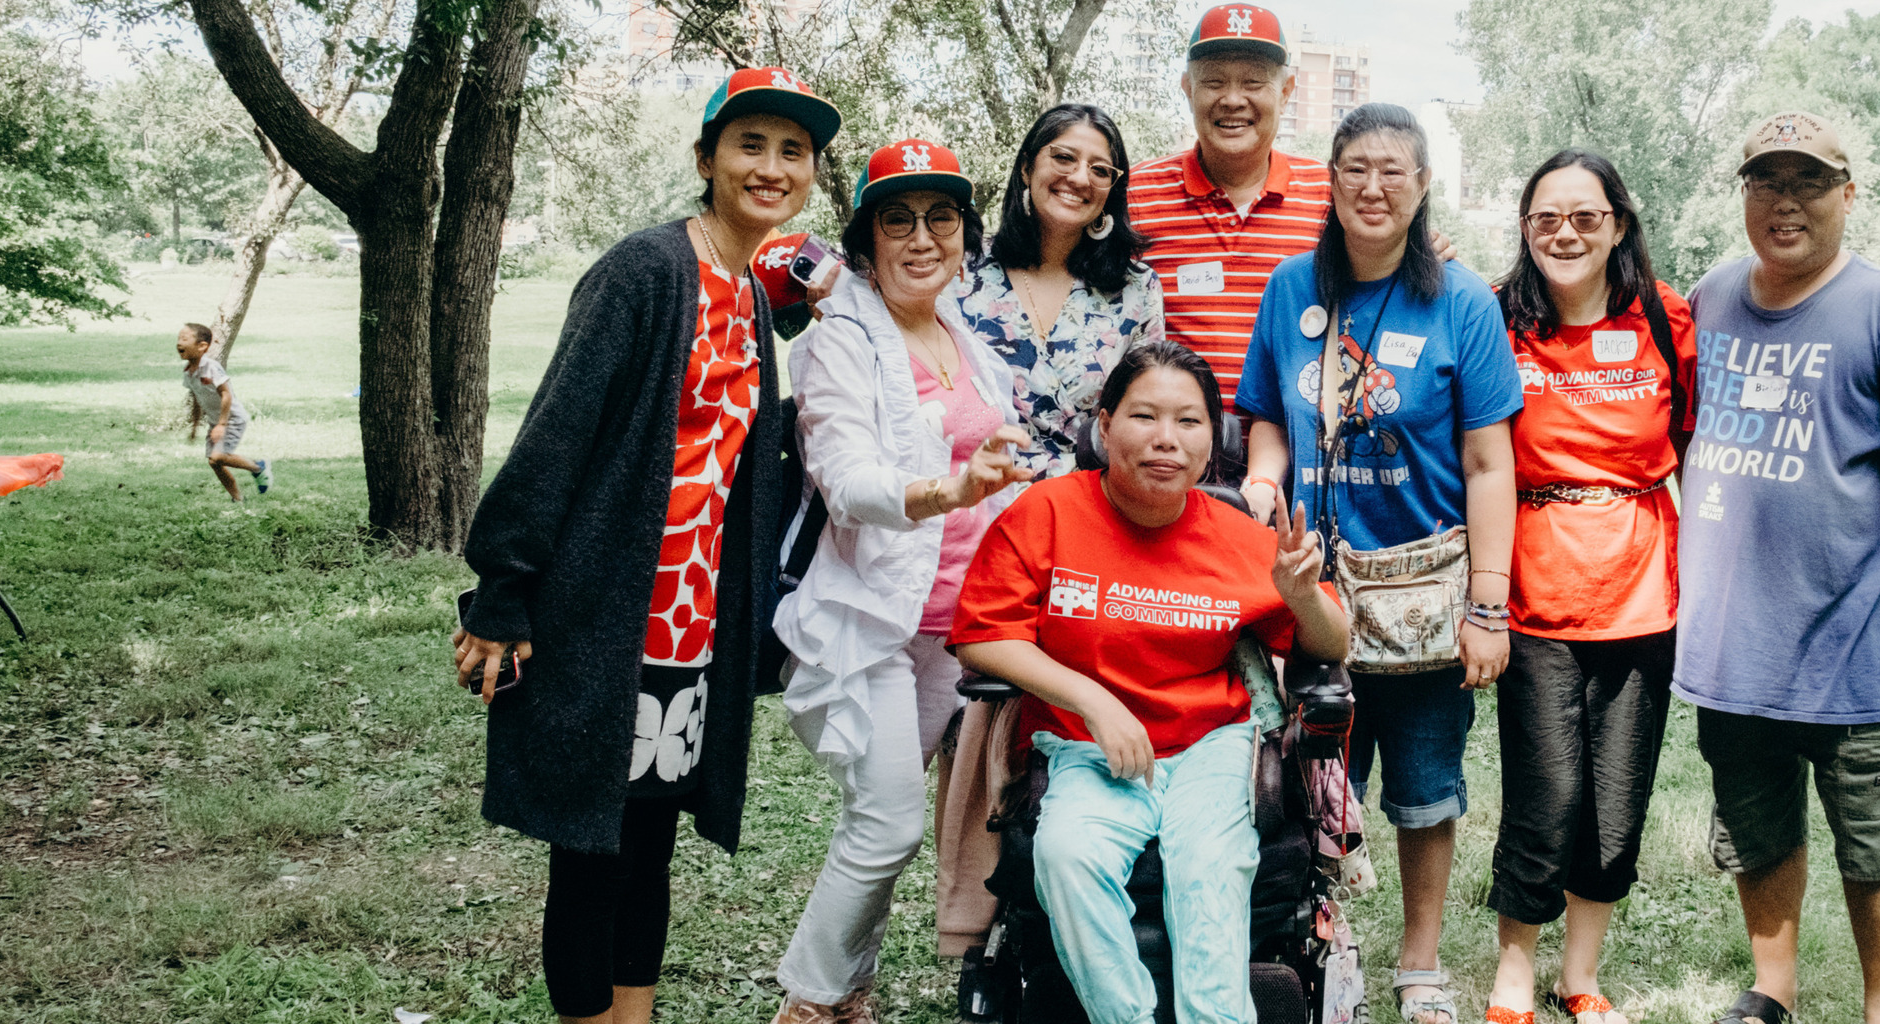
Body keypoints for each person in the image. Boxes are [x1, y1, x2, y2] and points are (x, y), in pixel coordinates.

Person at [454, 66, 838, 1024]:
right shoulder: (642, 271)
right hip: (603, 611)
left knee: (650, 843)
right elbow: (557, 434)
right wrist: (502, 592)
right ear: (705, 157)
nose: (771, 167)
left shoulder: (749, 292)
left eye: (794, 153)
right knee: (590, 854)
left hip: (689, 620)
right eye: (750, 144)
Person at [953, 341, 1350, 1024]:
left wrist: (1302, 595)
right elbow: (982, 634)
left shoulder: (1239, 536)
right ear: (1103, 427)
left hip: (1211, 746)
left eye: (1189, 422)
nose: (1166, 440)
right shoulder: (1045, 514)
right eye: (1143, 416)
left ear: (1212, 442)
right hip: (1087, 748)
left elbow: (1331, 645)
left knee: (1207, 870)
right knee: (1066, 856)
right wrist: (1092, 699)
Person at [1675, 112, 1880, 1024]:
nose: (1786, 202)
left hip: (1855, 634)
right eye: (1768, 182)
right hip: (1734, 638)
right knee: (1757, 828)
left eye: (1808, 183)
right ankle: (1772, 990)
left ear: (1848, 195)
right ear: (1746, 195)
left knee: (1877, 839)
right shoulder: (1713, 295)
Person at [1236, 103, 1522, 1024]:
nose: (1373, 187)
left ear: (1423, 185)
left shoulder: (1463, 302)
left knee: (1427, 790)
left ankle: (1421, 966)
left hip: (1427, 595)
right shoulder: (1290, 289)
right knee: (1313, 786)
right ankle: (1322, 949)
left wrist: (1488, 606)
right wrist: (1265, 476)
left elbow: (1488, 461)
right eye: (1355, 168)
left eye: (1394, 170)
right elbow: (1265, 414)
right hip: (1314, 587)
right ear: (1330, 178)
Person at [772, 137, 1033, 1024]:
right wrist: (945, 489)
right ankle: (807, 1002)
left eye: (942, 218)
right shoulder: (841, 337)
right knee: (888, 821)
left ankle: (849, 995)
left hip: (952, 630)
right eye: (898, 219)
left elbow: (995, 462)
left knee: (875, 824)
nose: (923, 238)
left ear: (966, 233)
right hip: (874, 615)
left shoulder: (962, 334)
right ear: (866, 237)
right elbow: (844, 481)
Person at [1482, 150, 1696, 1024]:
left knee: (1615, 803)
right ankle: (1513, 970)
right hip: (1532, 591)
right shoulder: (1495, 319)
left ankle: (1581, 974)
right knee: (1548, 793)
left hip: (1642, 590)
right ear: (1525, 230)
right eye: (1545, 218)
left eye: (1585, 216)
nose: (1564, 233)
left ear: (1618, 223)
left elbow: (1699, 437)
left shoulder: (1666, 318)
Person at [1125, 3, 1325, 410]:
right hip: (1173, 458)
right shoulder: (1136, 194)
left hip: (1299, 456)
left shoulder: (1332, 195)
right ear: (1188, 89)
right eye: (1214, 82)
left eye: (1253, 82)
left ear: (1286, 92)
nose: (1233, 100)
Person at [964, 103, 1164, 480]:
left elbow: (1144, 413)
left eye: (1100, 170)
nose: (1079, 178)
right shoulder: (961, 269)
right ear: (1027, 167)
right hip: (973, 502)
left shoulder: (1136, 289)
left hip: (1088, 506)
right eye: (1064, 158)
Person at [175, 323, 272, 500]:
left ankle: (259, 467)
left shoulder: (211, 367)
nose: (179, 343)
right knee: (214, 462)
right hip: (216, 422)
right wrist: (195, 428)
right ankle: (238, 499)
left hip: (232, 419)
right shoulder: (188, 373)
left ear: (202, 346)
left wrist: (222, 424)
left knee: (218, 456)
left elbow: (226, 394)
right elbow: (197, 401)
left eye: (184, 338)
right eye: (178, 338)